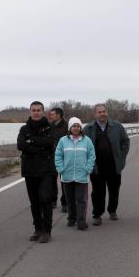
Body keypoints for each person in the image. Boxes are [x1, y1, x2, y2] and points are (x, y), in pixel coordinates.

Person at [17, 101, 58, 243]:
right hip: (29, 170)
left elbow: (49, 142)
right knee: (34, 202)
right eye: (33, 110)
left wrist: (31, 141)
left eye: (38, 110)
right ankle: (38, 229)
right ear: (30, 112)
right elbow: (20, 145)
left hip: (46, 170)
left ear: (43, 111)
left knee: (45, 199)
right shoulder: (24, 129)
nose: (36, 112)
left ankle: (47, 231)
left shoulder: (49, 127)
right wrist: (38, 145)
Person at [83, 104, 130, 226]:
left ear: (107, 112)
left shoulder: (117, 126)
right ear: (95, 114)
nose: (102, 114)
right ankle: (97, 215)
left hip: (114, 166)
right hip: (96, 167)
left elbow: (125, 142)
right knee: (98, 192)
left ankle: (112, 210)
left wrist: (121, 157)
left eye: (104, 111)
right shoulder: (88, 128)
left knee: (114, 190)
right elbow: (83, 147)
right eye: (99, 112)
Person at [55, 117, 96, 231]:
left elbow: (91, 155)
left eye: (78, 126)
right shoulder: (63, 140)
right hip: (67, 175)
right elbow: (58, 155)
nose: (76, 128)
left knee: (81, 199)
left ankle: (81, 221)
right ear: (70, 128)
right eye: (74, 126)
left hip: (82, 175)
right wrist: (60, 168)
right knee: (69, 199)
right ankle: (71, 218)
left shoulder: (86, 140)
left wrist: (88, 168)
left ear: (80, 128)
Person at [48, 107, 69, 213]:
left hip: (64, 157)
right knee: (52, 180)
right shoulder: (49, 126)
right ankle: (53, 201)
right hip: (51, 156)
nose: (50, 116)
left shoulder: (67, 126)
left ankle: (65, 202)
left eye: (52, 114)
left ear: (58, 115)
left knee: (64, 180)